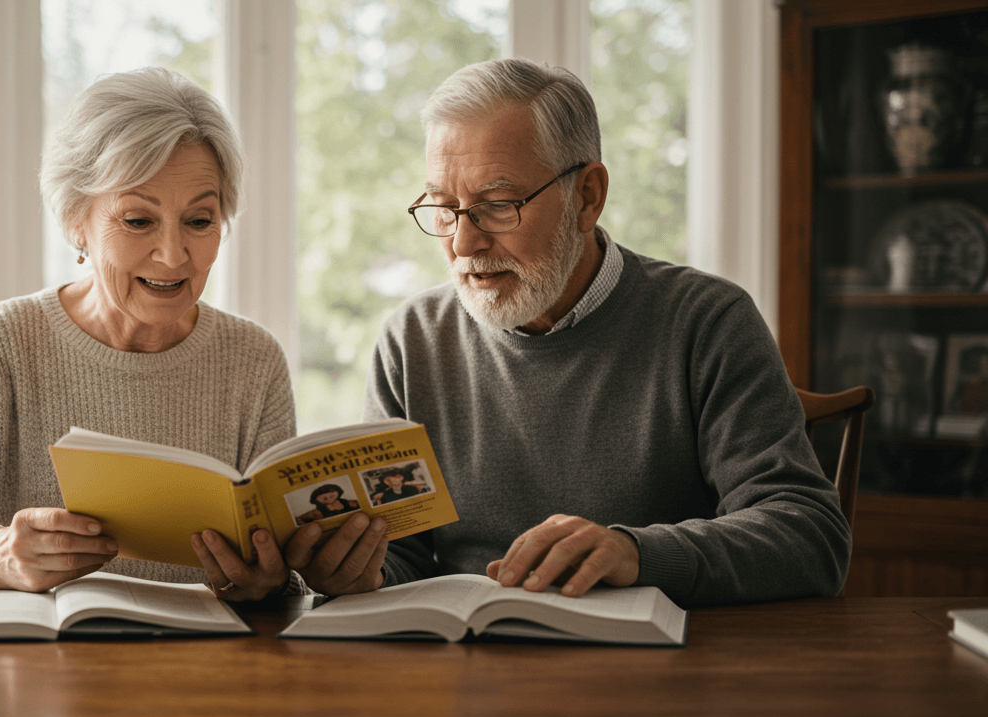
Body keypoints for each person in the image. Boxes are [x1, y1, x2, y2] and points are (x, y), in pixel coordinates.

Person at [291, 57, 849, 606]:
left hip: (656, 658)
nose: (463, 243)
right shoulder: (412, 340)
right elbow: (402, 559)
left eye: (497, 205)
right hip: (468, 656)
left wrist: (636, 554)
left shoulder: (708, 321)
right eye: (443, 207)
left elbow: (811, 536)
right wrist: (354, 572)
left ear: (587, 196)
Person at [0, 68, 298, 601]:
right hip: (47, 649)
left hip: (209, 650)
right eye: (138, 221)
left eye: (199, 221)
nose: (173, 255)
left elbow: (284, 575)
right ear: (74, 221)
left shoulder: (254, 359)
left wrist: (274, 582)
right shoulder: (3, 342)